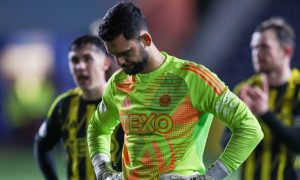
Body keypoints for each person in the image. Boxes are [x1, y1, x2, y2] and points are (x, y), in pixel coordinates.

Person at [87, 2, 263, 180]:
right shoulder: (118, 83)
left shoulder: (194, 78)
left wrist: (211, 176)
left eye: (125, 53)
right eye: (114, 55)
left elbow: (249, 128)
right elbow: (98, 128)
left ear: (146, 40)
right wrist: (102, 170)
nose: (120, 62)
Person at [34, 35, 124, 180]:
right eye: (74, 60)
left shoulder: (124, 102)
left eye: (88, 59)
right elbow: (41, 146)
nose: (80, 66)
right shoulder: (63, 105)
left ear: (105, 63)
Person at [222, 17, 300, 179]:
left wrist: (265, 114)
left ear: (286, 51)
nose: (257, 53)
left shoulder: (298, 90)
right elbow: (224, 145)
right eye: (254, 48)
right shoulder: (244, 90)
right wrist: (243, 123)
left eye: (264, 47)